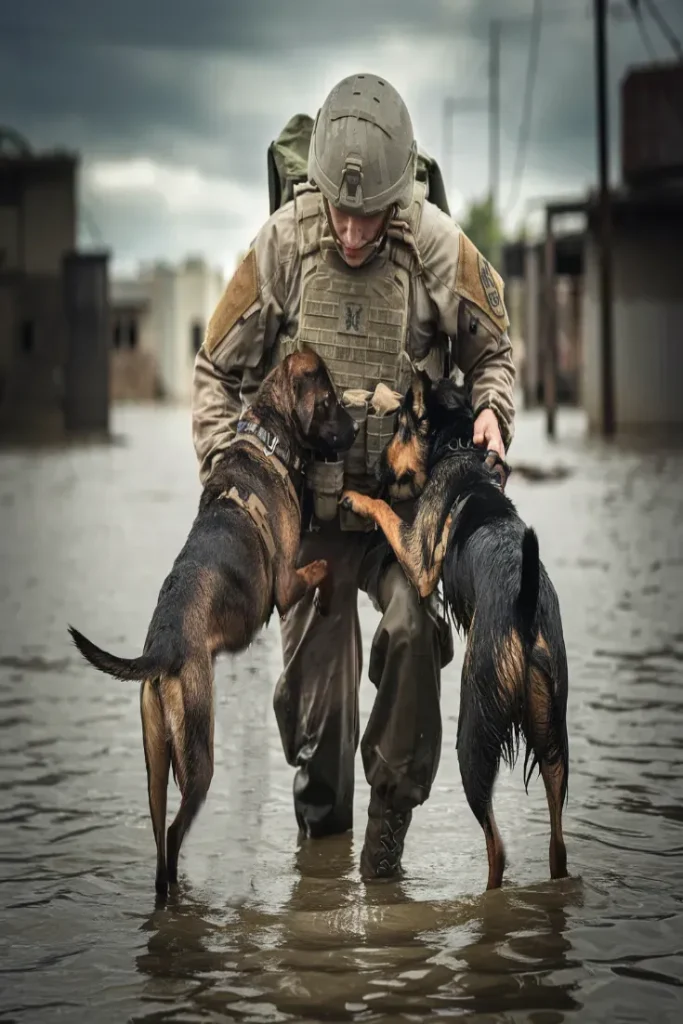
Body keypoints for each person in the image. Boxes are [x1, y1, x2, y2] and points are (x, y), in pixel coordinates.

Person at [192, 73, 516, 880]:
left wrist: (491, 413)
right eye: (339, 211)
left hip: (395, 521)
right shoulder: (282, 243)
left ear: (398, 197)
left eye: (368, 213)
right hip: (300, 522)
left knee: (412, 636)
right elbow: (212, 369)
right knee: (319, 718)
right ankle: (321, 860)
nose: (351, 229)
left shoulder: (436, 244)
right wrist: (220, 479)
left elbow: (493, 350)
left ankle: (386, 842)